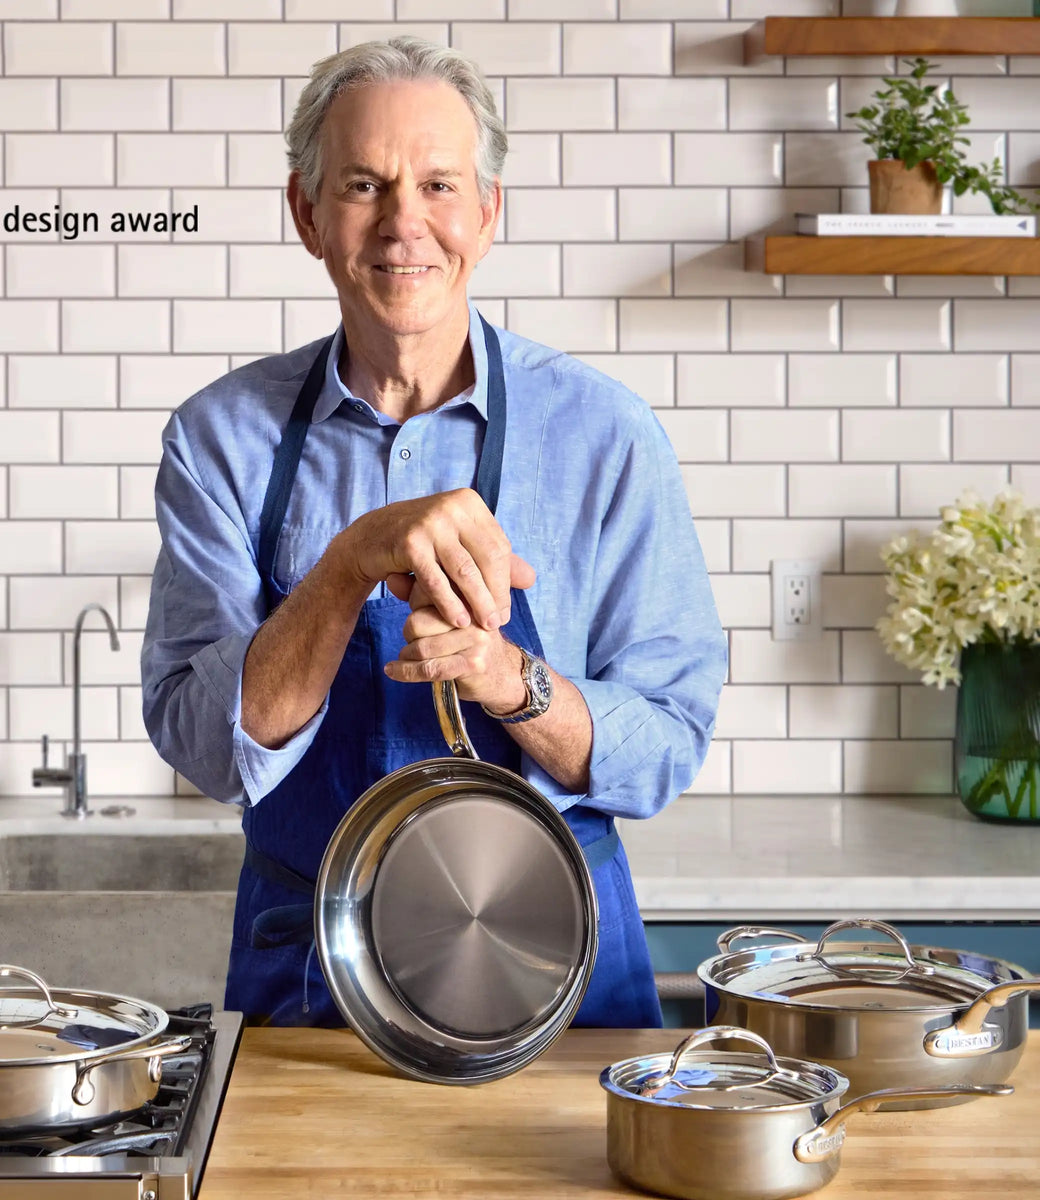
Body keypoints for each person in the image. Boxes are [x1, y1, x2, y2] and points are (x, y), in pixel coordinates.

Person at [141, 36, 727, 1028]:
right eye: (365, 185)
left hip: (554, 961)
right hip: (313, 976)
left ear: (488, 214)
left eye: (440, 185)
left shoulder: (605, 436)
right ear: (308, 215)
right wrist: (347, 564)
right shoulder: (220, 441)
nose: (405, 222)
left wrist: (516, 685)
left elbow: (667, 741)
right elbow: (205, 747)